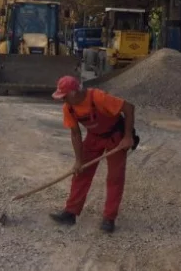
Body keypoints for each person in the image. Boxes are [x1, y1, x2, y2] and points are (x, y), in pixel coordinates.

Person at [49, 76, 137, 233]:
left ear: (74, 93)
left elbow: (129, 108)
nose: (62, 100)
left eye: (64, 96)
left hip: (115, 136)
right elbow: (75, 134)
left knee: (115, 178)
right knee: (81, 173)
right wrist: (78, 161)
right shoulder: (68, 108)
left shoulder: (98, 97)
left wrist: (127, 137)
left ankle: (109, 219)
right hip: (93, 137)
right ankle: (70, 213)